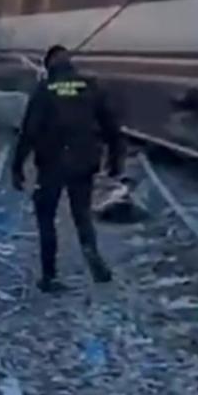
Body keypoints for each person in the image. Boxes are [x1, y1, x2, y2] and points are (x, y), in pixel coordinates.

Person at [12, 45, 124, 293]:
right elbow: (111, 127)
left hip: (52, 163)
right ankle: (91, 253)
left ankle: (50, 276)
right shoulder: (90, 86)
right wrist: (116, 161)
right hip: (84, 162)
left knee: (46, 218)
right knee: (82, 214)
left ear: (49, 65)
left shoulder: (45, 89)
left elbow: (29, 130)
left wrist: (17, 166)